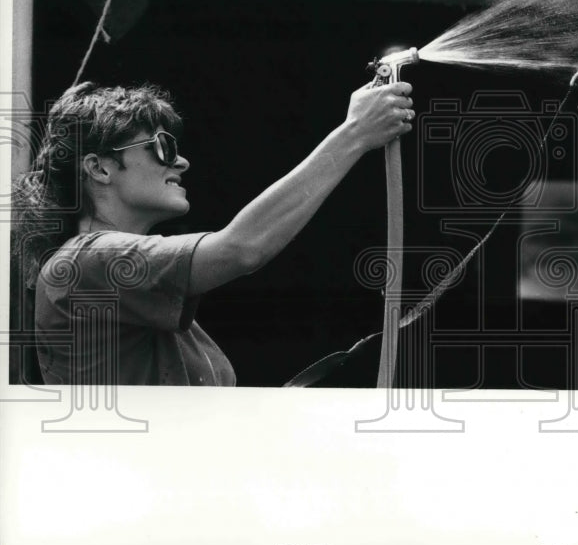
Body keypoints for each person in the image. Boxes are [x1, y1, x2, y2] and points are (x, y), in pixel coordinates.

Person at [11, 79, 414, 386]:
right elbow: (241, 248)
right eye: (162, 146)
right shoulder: (88, 262)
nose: (182, 162)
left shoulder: (119, 283)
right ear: (99, 169)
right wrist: (354, 134)